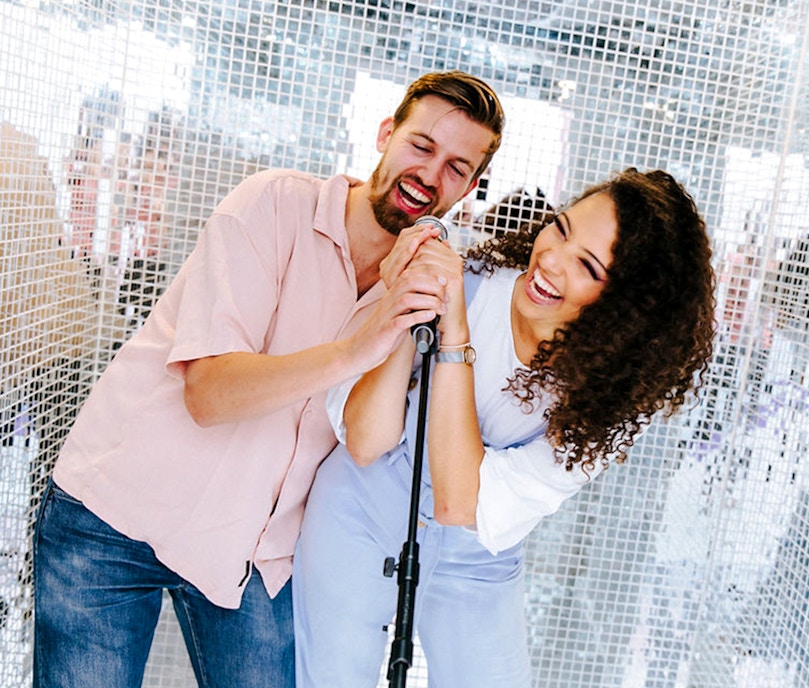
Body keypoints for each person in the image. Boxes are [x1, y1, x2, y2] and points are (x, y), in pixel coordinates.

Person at [32, 70, 505, 688]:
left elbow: (368, 441)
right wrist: (356, 347)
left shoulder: (426, 288)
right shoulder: (273, 205)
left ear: (469, 187)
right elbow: (208, 393)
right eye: (421, 146)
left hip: (254, 554)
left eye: (456, 167)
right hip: (116, 519)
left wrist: (418, 312)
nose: (430, 175)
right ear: (387, 134)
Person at [292, 167, 717, 686]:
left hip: (476, 560)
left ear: (626, 308)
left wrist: (455, 335)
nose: (552, 261)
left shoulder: (605, 404)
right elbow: (364, 441)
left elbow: (459, 504)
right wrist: (411, 302)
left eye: (587, 265)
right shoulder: (468, 279)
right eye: (560, 229)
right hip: (360, 512)